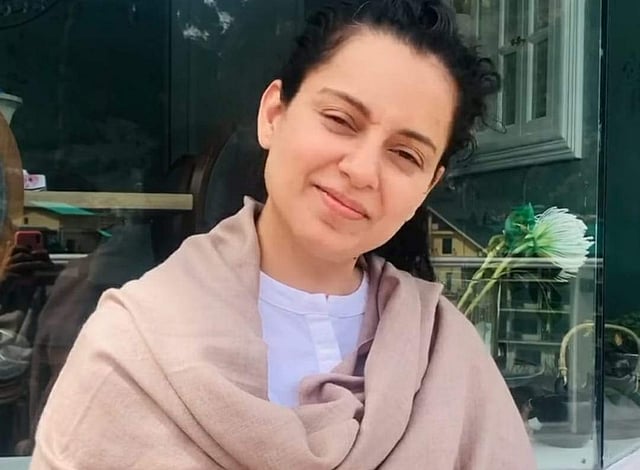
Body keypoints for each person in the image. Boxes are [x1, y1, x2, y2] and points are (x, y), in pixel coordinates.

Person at [30, 1, 536, 468]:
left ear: (427, 185)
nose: (362, 170)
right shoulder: (136, 346)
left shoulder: (448, 360)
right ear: (274, 114)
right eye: (340, 120)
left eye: (405, 154)